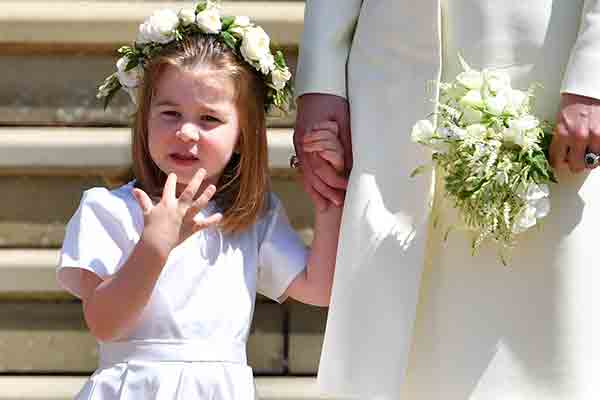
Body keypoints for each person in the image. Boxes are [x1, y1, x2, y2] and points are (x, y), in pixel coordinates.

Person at [295, 0, 600, 399]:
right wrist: (321, 77)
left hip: (541, 64)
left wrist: (593, 78)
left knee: (540, 327)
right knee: (397, 319)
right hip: (393, 68)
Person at [56, 3, 345, 399]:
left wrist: (328, 197)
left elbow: (320, 288)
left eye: (209, 119)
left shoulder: (250, 218)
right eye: (170, 113)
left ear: (243, 134)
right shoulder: (109, 210)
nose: (187, 132)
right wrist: (155, 245)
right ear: (145, 120)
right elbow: (105, 324)